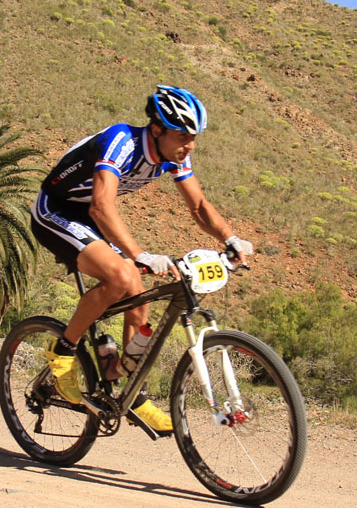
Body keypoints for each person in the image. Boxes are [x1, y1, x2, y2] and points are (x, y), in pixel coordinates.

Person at [30, 85, 254, 432]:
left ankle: (131, 391)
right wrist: (140, 254)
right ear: (156, 130)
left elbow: (197, 206)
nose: (190, 144)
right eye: (182, 135)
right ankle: (62, 351)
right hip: (56, 211)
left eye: (193, 137)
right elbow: (101, 205)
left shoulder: (175, 155)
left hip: (91, 218)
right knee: (122, 274)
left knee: (136, 287)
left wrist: (230, 238)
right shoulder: (122, 141)